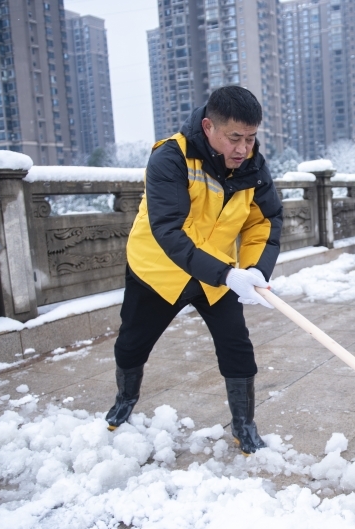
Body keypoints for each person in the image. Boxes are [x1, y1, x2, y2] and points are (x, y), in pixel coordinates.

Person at [108, 86, 283, 455]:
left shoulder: (253, 165)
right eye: (234, 137)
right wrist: (227, 274)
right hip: (159, 269)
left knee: (237, 346)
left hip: (217, 275)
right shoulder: (170, 157)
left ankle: (244, 425)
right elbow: (170, 231)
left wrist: (254, 271)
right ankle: (125, 397)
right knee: (132, 343)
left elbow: (265, 222)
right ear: (208, 127)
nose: (242, 148)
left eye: (250, 138)